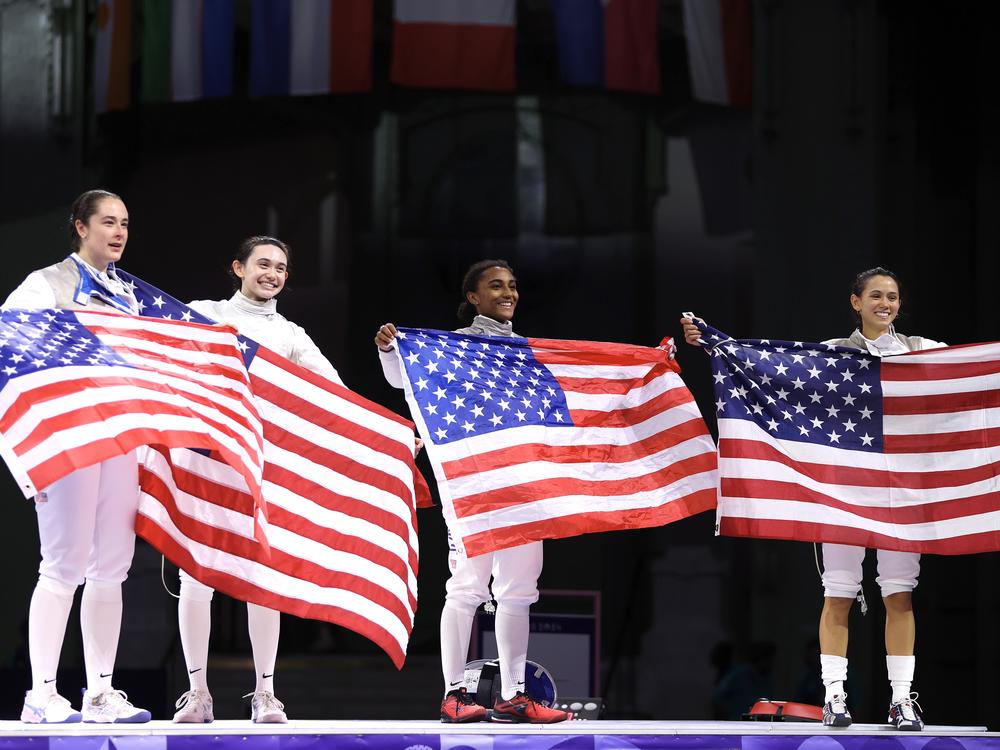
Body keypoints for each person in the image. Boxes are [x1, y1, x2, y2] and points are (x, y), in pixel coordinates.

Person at [680, 266, 941, 732]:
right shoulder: (832, 355)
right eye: (876, 295)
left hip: (900, 491)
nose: (887, 303)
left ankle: (902, 700)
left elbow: (974, 374)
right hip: (842, 491)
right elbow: (768, 371)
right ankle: (834, 696)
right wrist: (716, 343)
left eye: (894, 297)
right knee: (839, 594)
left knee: (899, 595)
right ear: (855, 302)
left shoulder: (923, 351)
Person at [375, 260, 569, 725]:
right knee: (465, 589)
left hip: (524, 486)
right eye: (496, 286)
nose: (508, 293)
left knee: (519, 592)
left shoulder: (527, 351)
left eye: (513, 286)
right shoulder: (451, 348)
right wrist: (388, 351)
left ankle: (514, 696)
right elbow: (403, 381)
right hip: (474, 487)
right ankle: (454, 695)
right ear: (473, 299)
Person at [171, 236, 344, 724]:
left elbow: (335, 394)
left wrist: (389, 434)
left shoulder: (291, 335)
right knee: (196, 573)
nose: (272, 273)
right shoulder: (204, 312)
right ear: (238, 268)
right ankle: (197, 693)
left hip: (262, 466)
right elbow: (160, 347)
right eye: (263, 264)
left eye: (281, 268)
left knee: (262, 579)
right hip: (206, 460)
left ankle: (265, 694)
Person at [3, 189, 151, 724]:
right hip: (70, 439)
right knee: (63, 564)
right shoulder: (47, 284)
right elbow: (11, 344)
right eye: (108, 222)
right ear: (80, 226)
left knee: (111, 567)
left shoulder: (130, 298)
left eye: (125, 224)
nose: (118, 232)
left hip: (120, 440)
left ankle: (99, 693)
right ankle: (41, 694)